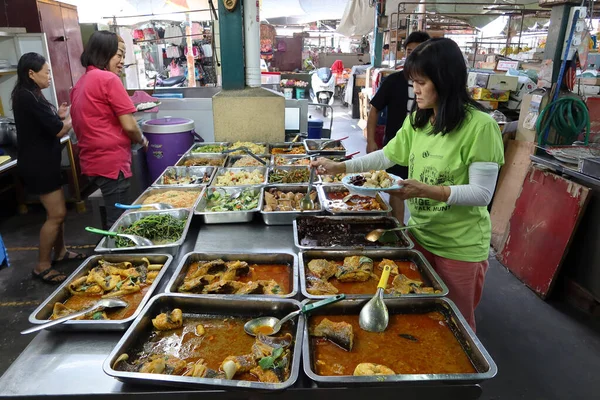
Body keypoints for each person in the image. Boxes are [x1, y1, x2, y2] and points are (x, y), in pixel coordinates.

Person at [313, 38, 505, 331]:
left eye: (421, 82)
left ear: (445, 80)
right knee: (421, 316)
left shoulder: (481, 127)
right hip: (419, 237)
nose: (415, 89)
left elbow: (481, 194)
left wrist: (425, 190)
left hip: (459, 248)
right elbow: (387, 156)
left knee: (455, 324)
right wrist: (340, 166)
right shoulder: (418, 121)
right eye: (413, 82)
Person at [12, 52, 85, 283]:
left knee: (57, 213)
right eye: (47, 72)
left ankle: (60, 252)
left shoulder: (30, 94)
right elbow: (57, 130)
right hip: (39, 165)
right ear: (31, 74)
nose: (50, 76)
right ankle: (42, 265)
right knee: (57, 214)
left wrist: (60, 115)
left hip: (44, 161)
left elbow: (48, 123)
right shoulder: (26, 97)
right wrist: (75, 115)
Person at [70, 31, 148, 228]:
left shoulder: (80, 83)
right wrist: (142, 140)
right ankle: (118, 258)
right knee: (119, 223)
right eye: (119, 55)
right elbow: (130, 126)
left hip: (91, 162)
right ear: (104, 53)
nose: (122, 61)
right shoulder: (108, 79)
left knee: (114, 218)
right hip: (111, 163)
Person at [366, 31, 430, 223]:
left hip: (426, 149)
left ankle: (418, 227)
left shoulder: (436, 86)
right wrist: (371, 141)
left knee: (423, 188)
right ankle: (398, 227)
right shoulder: (393, 81)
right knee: (396, 187)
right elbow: (374, 109)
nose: (413, 56)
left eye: (418, 51)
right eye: (410, 51)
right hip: (396, 146)